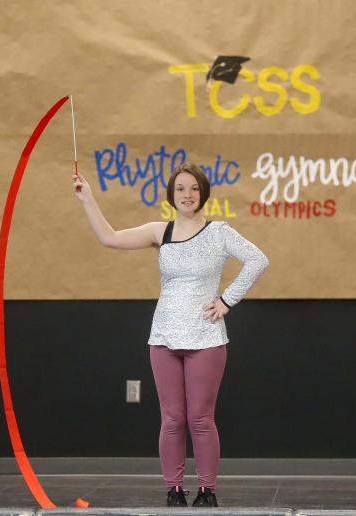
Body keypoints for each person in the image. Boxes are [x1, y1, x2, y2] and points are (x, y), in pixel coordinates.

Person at [73, 164, 268, 507]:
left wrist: (227, 300)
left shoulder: (219, 232)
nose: (187, 194)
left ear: (203, 193)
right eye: (180, 189)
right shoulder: (158, 231)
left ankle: (207, 491)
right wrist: (87, 198)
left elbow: (257, 260)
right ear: (172, 195)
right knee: (172, 418)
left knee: (201, 419)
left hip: (206, 338)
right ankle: (174, 489)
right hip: (163, 337)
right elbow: (110, 238)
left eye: (193, 188)